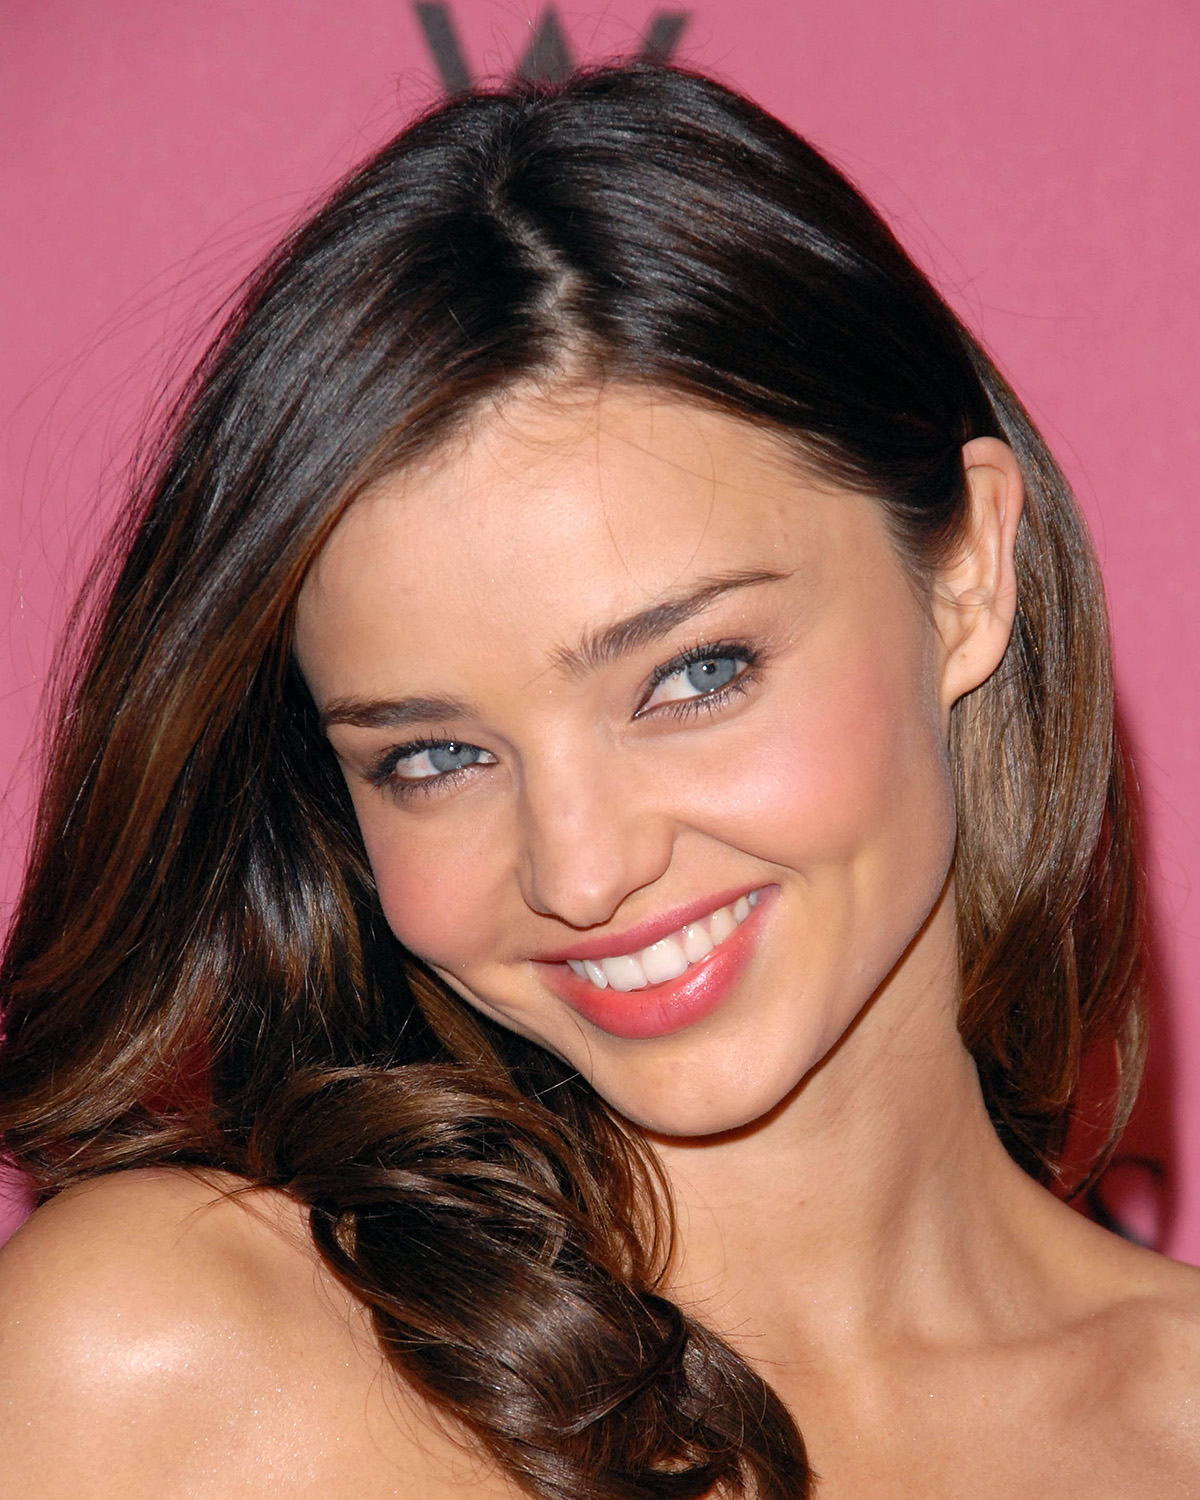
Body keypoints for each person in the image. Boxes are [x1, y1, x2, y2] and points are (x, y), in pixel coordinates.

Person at [0, 60, 1196, 1499]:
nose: (579, 871)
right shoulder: (166, 1366)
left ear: (968, 578)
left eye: (692, 675)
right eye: (436, 757)